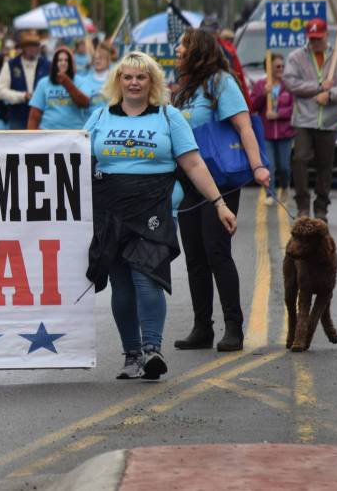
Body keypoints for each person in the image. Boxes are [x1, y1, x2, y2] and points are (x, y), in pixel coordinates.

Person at [86, 52, 236, 380]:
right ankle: (131, 355)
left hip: (153, 213)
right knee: (121, 288)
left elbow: (194, 164)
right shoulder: (99, 118)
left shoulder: (169, 118)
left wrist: (219, 203)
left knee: (147, 279)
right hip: (109, 213)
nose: (134, 83)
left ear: (152, 82)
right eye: (128, 77)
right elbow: (76, 161)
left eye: (141, 77)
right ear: (118, 82)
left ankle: (152, 349)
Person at [172, 27, 269, 353]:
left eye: (182, 48)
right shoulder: (183, 88)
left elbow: (245, 127)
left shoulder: (221, 83)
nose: (177, 53)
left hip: (220, 180)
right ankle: (202, 328)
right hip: (188, 182)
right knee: (195, 256)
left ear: (197, 50)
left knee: (217, 251)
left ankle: (234, 327)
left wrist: (257, 166)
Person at [283, 17, 337, 221]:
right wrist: (317, 88)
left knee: (326, 165)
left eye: (319, 38)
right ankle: (303, 206)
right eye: (312, 38)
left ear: (326, 36)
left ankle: (322, 208)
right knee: (299, 159)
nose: (315, 42)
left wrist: (331, 94)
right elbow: (291, 82)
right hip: (303, 120)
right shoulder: (296, 57)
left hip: (328, 121)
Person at [250, 53, 295, 206]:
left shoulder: (288, 85)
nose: (280, 69)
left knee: (284, 166)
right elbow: (252, 106)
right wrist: (263, 94)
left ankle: (285, 187)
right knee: (270, 165)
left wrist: (279, 114)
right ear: (268, 68)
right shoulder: (261, 85)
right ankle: (271, 193)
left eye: (282, 66)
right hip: (266, 133)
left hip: (284, 133)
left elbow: (294, 108)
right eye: (277, 66)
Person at [0, 31, 50, 130]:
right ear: (23, 47)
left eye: (35, 45)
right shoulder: (11, 65)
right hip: (18, 117)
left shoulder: (47, 65)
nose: (32, 48)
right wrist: (22, 96)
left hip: (42, 118)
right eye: (29, 45)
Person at [27, 47, 90, 130]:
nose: (63, 63)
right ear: (54, 63)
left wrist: (67, 83)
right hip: (48, 132)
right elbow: (35, 114)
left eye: (66, 60)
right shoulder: (44, 83)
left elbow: (84, 103)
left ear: (71, 63)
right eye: (60, 60)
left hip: (73, 133)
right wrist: (31, 135)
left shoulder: (80, 81)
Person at [79, 42, 115, 121]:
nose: (98, 61)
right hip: (91, 121)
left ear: (108, 61)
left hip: (112, 121)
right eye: (95, 59)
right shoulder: (85, 80)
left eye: (101, 58)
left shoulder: (115, 79)